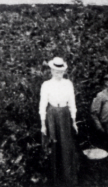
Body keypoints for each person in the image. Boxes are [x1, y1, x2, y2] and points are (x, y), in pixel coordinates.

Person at [40, 57, 79, 186]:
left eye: (61, 71)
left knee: (66, 145)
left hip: (64, 114)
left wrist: (73, 120)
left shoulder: (68, 83)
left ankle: (68, 178)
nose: (58, 73)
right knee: (54, 144)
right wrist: (43, 124)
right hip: (52, 114)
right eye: (56, 71)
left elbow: (72, 102)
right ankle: (55, 179)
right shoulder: (46, 85)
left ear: (64, 71)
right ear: (51, 70)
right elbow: (42, 105)